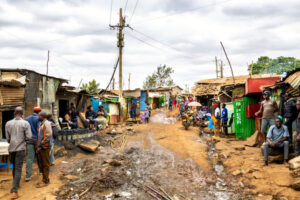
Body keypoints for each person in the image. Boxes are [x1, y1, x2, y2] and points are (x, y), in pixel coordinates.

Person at [5, 107, 32, 199]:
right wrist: (22, 140)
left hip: (11, 148)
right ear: (22, 113)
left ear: (14, 113)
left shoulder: (8, 123)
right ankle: (14, 190)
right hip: (20, 148)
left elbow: (8, 139)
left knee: (15, 167)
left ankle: (15, 183)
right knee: (18, 168)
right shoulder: (25, 123)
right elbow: (29, 136)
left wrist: (13, 141)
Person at [36, 111, 52, 188]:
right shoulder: (42, 123)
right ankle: (44, 179)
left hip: (45, 147)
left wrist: (42, 143)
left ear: (42, 116)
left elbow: (49, 135)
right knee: (42, 164)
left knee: (45, 164)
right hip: (42, 147)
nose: (37, 117)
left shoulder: (46, 123)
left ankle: (46, 181)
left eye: (38, 115)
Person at [25, 107, 41, 182]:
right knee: (39, 156)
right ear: (39, 112)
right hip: (37, 141)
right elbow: (39, 130)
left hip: (29, 141)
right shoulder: (38, 119)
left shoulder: (27, 119)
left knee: (29, 158)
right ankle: (41, 171)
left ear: (33, 111)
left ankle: (28, 176)